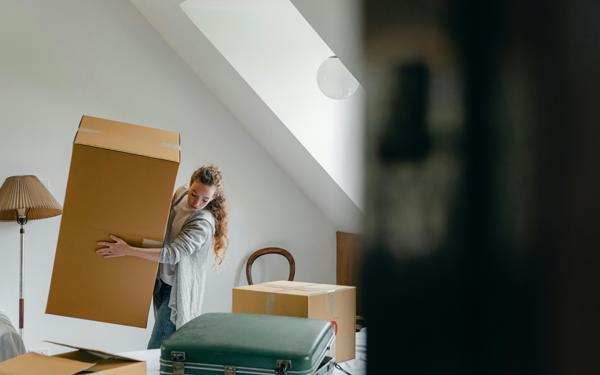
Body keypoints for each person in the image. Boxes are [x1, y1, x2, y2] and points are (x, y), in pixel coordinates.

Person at [96, 164, 228, 349]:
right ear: (189, 186)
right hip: (160, 281)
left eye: (205, 199)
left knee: (158, 347)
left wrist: (128, 250)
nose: (196, 203)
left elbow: (172, 254)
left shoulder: (203, 224)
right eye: (194, 194)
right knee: (167, 347)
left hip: (177, 290)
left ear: (213, 198)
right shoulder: (180, 195)